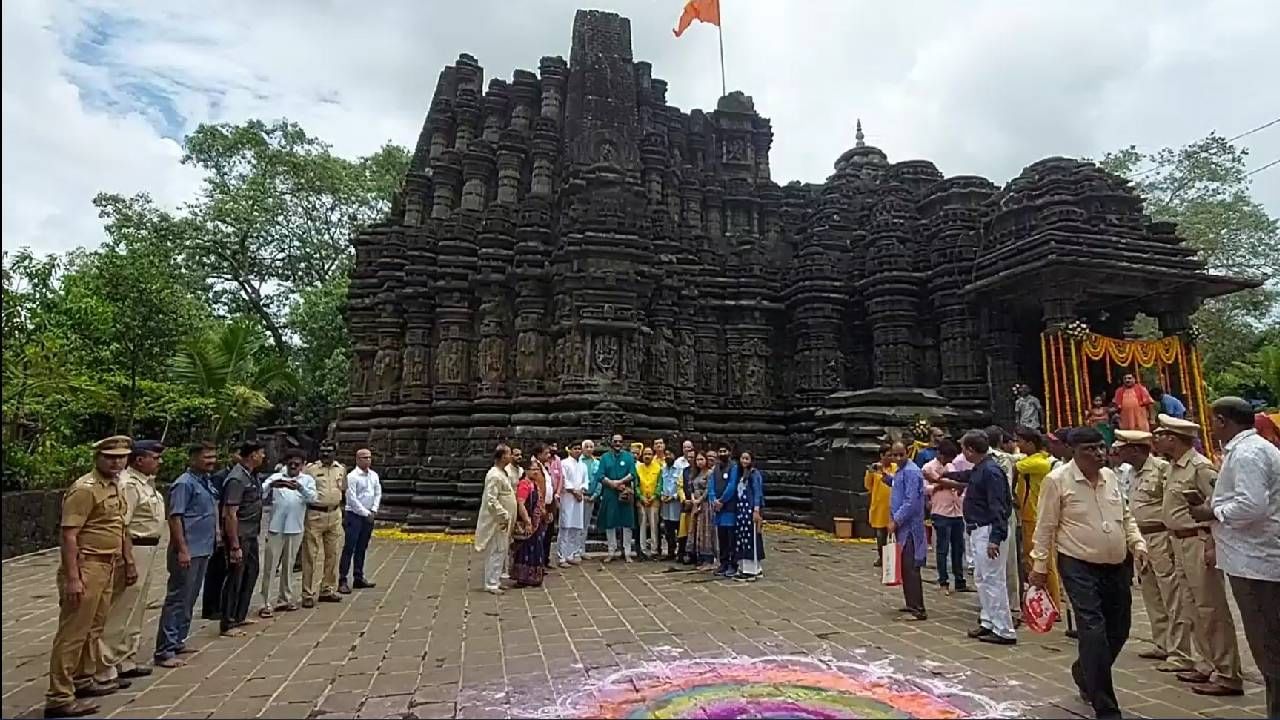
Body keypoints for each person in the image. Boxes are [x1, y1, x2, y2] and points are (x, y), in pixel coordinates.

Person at [1030, 427, 1148, 720]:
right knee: (1093, 631)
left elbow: (1125, 515)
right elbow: (1045, 527)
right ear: (1074, 452)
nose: (1098, 454)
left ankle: (1085, 671)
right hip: (1078, 564)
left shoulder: (1110, 477)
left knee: (1119, 629)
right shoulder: (1057, 481)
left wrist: (1138, 542)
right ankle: (1106, 707)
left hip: (1118, 564)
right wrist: (1039, 566)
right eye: (1089, 450)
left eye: (1100, 448)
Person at [1189, 397, 1280, 717]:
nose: (1211, 428)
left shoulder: (1248, 453)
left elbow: (1251, 506)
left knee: (1268, 645)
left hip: (1257, 562)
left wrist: (1212, 510)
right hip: (1254, 557)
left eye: (1213, 421)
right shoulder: (1249, 450)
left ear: (1223, 421)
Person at [43, 436, 136, 718]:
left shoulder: (115, 485)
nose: (116, 461)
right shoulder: (85, 489)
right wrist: (73, 577)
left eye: (121, 457)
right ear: (98, 457)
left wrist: (127, 561)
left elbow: (118, 527)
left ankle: (84, 679)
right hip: (88, 565)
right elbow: (69, 534)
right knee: (73, 632)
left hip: (109, 564)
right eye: (110, 457)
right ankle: (59, 696)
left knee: (94, 628)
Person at [1154, 414, 1245, 697]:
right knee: (1192, 607)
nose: (1157, 439)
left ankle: (1228, 673)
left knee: (1211, 608)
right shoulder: (1172, 468)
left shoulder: (1200, 468)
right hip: (1178, 543)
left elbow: (1218, 508)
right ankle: (1207, 664)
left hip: (1198, 541)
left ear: (1174, 438)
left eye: (1162, 434)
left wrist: (1211, 544)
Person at [1115, 429, 1193, 672]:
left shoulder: (1160, 469)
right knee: (1151, 593)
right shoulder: (1133, 473)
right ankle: (1162, 642)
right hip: (1141, 539)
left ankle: (1180, 651)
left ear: (1136, 449)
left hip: (1160, 536)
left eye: (1124, 447)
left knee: (1172, 594)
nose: (1118, 451)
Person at [93, 440, 165, 687]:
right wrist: (128, 560)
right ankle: (105, 664)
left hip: (150, 548)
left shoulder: (146, 484)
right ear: (139, 460)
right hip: (134, 547)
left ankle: (126, 658)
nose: (159, 462)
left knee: (136, 608)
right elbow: (122, 524)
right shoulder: (129, 485)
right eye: (154, 458)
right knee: (121, 609)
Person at [154, 444, 218, 669]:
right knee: (178, 598)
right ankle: (165, 649)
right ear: (193, 458)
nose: (211, 460)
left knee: (190, 598)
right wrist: (182, 549)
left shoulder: (204, 481)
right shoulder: (184, 484)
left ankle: (178, 639)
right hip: (188, 549)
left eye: (213, 456)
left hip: (203, 548)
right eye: (206, 457)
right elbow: (175, 518)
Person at [950, 431, 1015, 644]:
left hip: (988, 529)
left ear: (970, 450)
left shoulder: (991, 471)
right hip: (978, 528)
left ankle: (1004, 628)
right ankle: (989, 620)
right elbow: (967, 477)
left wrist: (995, 537)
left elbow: (998, 506)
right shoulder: (981, 468)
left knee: (993, 580)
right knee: (981, 577)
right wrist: (944, 476)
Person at [257, 450, 315, 617]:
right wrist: (274, 485)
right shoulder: (276, 478)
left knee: (289, 566)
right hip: (276, 528)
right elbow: (260, 492)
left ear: (302, 465)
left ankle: (285, 598)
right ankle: (265, 602)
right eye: (291, 464)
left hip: (295, 527)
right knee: (270, 566)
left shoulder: (307, 480)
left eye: (297, 464)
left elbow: (313, 498)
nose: (294, 467)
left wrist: (300, 488)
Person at [219, 441, 265, 637]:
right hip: (240, 534)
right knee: (235, 577)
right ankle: (228, 621)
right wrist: (234, 544)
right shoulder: (237, 479)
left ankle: (240, 614)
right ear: (252, 455)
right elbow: (230, 513)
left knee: (251, 571)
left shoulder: (251, 476)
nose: (264, 457)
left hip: (252, 532)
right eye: (261, 453)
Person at [1013, 428, 1057, 608]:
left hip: (1034, 514)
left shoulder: (1037, 462)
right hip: (1029, 515)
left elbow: (1013, 466)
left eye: (1021, 441)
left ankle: (1051, 603)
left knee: (1042, 560)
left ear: (1031, 444)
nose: (1018, 445)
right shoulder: (1039, 459)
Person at [886, 441, 927, 621]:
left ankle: (918, 608)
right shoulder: (900, 471)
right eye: (895, 455)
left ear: (907, 452)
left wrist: (897, 519)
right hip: (902, 525)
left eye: (901, 454)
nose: (898, 458)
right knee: (904, 565)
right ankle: (911, 603)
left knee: (911, 567)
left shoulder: (911, 471)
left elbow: (911, 501)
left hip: (910, 527)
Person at [923, 438, 970, 594]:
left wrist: (944, 481)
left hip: (957, 510)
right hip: (940, 510)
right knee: (942, 548)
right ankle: (943, 581)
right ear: (939, 454)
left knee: (958, 548)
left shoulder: (951, 466)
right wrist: (940, 484)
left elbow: (960, 484)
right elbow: (926, 489)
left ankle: (959, 580)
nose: (948, 461)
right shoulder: (928, 467)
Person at [302, 442, 347, 607]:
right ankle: (307, 593)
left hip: (334, 514)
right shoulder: (310, 469)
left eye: (329, 451)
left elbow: (343, 491)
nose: (326, 454)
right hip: (315, 514)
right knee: (310, 555)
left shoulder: (341, 469)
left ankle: (327, 589)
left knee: (332, 554)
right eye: (323, 451)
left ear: (335, 453)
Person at [475, 445, 517, 594]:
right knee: (496, 550)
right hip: (499, 520)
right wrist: (503, 514)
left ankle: (496, 579)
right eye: (509, 454)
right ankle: (491, 583)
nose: (511, 456)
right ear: (502, 456)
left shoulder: (503, 473)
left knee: (502, 550)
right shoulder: (494, 475)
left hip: (506, 519)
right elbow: (491, 499)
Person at [339, 448, 381, 594]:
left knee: (362, 547)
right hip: (354, 515)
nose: (367, 460)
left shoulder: (374, 475)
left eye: (369, 457)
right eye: (364, 458)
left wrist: (374, 509)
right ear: (357, 459)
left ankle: (358, 576)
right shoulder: (352, 476)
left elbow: (377, 492)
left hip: (369, 514)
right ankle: (342, 578)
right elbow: (351, 498)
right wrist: (365, 513)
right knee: (349, 547)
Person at [594, 434, 638, 562]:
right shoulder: (605, 457)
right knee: (610, 522)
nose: (617, 443)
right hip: (610, 493)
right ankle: (611, 551)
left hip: (625, 492)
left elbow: (633, 473)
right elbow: (600, 475)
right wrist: (612, 483)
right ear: (611, 443)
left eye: (620, 441)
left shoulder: (628, 457)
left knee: (627, 523)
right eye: (615, 441)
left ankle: (627, 552)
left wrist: (620, 482)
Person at [510, 462, 547, 587]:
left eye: (538, 469)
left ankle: (534, 576)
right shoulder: (524, 485)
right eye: (533, 469)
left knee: (536, 547)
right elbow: (521, 503)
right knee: (525, 548)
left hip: (537, 521)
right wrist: (527, 521)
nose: (536, 472)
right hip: (528, 521)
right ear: (526, 471)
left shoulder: (534, 484)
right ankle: (523, 577)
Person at [709, 445, 741, 577]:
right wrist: (714, 500)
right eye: (720, 451)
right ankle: (723, 563)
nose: (722, 453)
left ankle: (732, 564)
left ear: (729, 452)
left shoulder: (734, 467)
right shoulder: (715, 468)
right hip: (718, 511)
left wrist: (722, 501)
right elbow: (710, 485)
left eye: (724, 451)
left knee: (731, 538)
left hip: (729, 508)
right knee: (721, 538)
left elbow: (732, 485)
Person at [734, 451, 766, 580]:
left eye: (747, 458)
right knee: (741, 538)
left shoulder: (754, 474)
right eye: (742, 458)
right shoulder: (740, 475)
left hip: (750, 509)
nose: (744, 461)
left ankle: (754, 569)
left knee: (752, 538)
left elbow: (757, 491)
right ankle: (743, 567)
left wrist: (756, 510)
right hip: (741, 510)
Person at [864, 442, 896, 568]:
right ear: (881, 456)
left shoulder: (895, 468)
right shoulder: (874, 469)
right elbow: (868, 486)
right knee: (880, 535)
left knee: (894, 534)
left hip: (893, 506)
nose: (891, 458)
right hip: (879, 507)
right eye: (888, 455)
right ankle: (882, 557)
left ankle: (893, 557)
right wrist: (871, 472)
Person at [557, 440, 588, 566]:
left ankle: (572, 554)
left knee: (576, 527)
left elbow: (586, 481)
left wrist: (581, 491)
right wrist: (574, 491)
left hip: (579, 498)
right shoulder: (564, 463)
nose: (577, 451)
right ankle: (562, 556)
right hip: (568, 497)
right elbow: (564, 480)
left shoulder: (583, 465)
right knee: (565, 526)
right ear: (569, 449)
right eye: (575, 448)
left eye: (579, 448)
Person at [686, 452, 716, 570]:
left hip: (705, 505)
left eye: (702, 459)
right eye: (697, 460)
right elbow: (692, 488)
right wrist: (694, 499)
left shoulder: (709, 473)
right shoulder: (695, 474)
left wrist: (700, 500)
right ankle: (699, 556)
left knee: (706, 530)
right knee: (697, 530)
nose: (699, 462)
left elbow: (709, 489)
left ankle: (708, 557)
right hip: (696, 504)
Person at [635, 445, 662, 559]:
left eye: (649, 454)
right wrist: (641, 497)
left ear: (653, 456)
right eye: (645, 454)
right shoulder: (638, 468)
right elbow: (636, 485)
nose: (647, 456)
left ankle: (654, 550)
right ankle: (643, 550)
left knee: (653, 525)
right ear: (642, 455)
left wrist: (654, 496)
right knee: (642, 525)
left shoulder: (658, 468)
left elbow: (660, 484)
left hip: (654, 500)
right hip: (641, 501)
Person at [659, 449, 685, 561]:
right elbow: (660, 484)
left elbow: (681, 485)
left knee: (679, 530)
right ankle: (670, 552)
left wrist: (674, 496)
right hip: (665, 505)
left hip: (676, 504)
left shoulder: (680, 469)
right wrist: (661, 495)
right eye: (666, 454)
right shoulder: (663, 469)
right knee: (668, 530)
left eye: (670, 454)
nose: (668, 456)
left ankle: (681, 552)